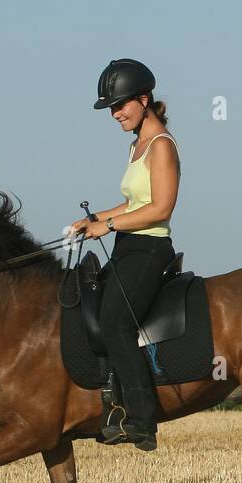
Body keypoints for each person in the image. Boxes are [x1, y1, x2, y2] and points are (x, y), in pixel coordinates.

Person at [71, 58, 181, 449]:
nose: (115, 114)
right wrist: (95, 219)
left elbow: (160, 209)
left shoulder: (161, 146)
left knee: (116, 322)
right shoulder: (137, 146)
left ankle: (141, 418)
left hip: (150, 248)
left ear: (144, 99)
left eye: (120, 106)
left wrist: (109, 225)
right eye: (111, 109)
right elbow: (134, 201)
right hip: (129, 244)